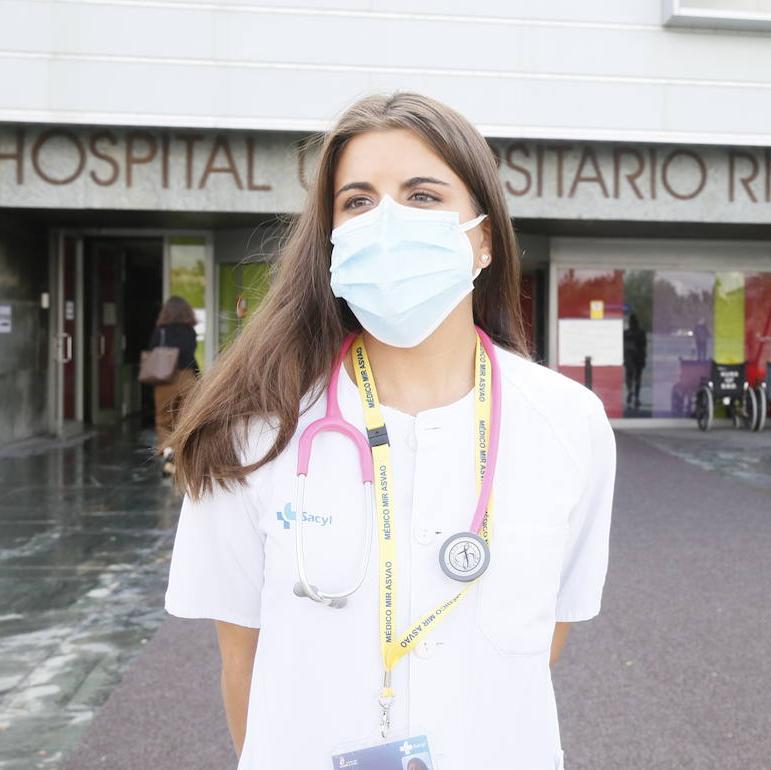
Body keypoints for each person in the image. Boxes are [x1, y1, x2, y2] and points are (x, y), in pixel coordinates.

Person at [162, 92, 616, 770]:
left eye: (423, 196)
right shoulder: (251, 432)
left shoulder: (568, 422)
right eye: (359, 202)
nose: (389, 223)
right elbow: (243, 662)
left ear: (484, 239)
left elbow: (541, 635)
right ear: (332, 240)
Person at [149, 296, 200, 477]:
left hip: (165, 379)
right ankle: (183, 456)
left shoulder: (160, 331)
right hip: (187, 378)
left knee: (164, 420)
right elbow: (190, 356)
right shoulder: (190, 331)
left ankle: (170, 453)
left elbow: (153, 351)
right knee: (186, 419)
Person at [623, 313, 647, 411]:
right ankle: (636, 396)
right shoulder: (641, 333)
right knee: (638, 378)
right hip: (639, 358)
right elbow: (644, 346)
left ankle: (630, 390)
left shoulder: (626, 333)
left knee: (629, 377)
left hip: (629, 358)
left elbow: (623, 347)